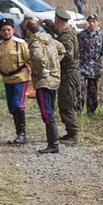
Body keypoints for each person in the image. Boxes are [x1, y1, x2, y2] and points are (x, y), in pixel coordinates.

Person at [0, 17, 32, 145]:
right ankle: (18, 133)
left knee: (18, 105)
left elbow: (30, 60)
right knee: (12, 108)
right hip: (7, 80)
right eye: (3, 30)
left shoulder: (20, 44)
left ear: (13, 30)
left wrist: (38, 75)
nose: (6, 32)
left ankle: (22, 134)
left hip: (20, 77)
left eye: (8, 29)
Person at [23, 17, 62, 154]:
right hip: (54, 79)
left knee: (46, 112)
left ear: (28, 31)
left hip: (43, 81)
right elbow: (62, 50)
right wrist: (55, 66)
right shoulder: (49, 39)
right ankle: (53, 142)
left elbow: (38, 58)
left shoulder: (35, 42)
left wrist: (41, 70)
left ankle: (53, 144)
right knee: (50, 109)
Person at [76, 13, 103, 116]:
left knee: (92, 92)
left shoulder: (101, 36)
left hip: (95, 68)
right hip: (82, 67)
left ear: (98, 22)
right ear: (87, 23)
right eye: (90, 22)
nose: (92, 24)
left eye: (94, 21)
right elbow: (75, 50)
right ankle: (77, 111)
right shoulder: (81, 35)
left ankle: (91, 111)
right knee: (79, 90)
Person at [51, 8, 80, 143]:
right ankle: (70, 132)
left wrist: (54, 59)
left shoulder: (66, 36)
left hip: (68, 74)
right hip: (67, 74)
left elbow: (68, 55)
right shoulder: (68, 32)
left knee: (67, 104)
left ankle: (74, 134)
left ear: (58, 20)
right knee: (64, 103)